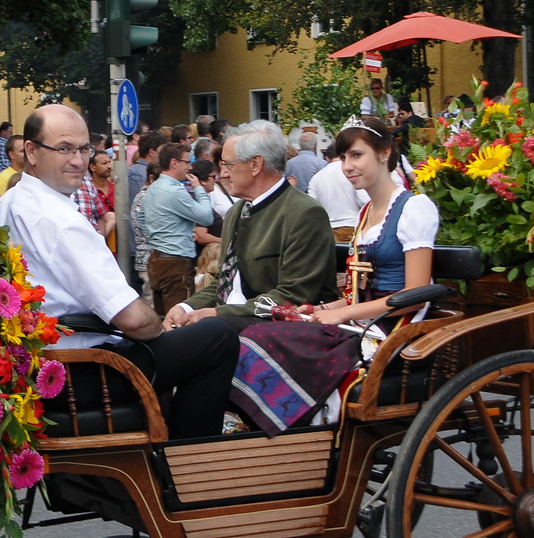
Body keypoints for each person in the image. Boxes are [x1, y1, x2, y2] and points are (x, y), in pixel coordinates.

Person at [0, 105, 238, 439]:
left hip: (39, 368)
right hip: (83, 371)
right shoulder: (60, 221)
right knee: (217, 338)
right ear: (31, 151)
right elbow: (133, 319)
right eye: (64, 149)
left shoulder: (8, 203)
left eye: (84, 149)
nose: (78, 161)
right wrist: (161, 327)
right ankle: (188, 456)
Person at [227, 117, 441, 433]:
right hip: (362, 321)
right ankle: (278, 432)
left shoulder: (415, 208)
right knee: (260, 332)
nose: (347, 166)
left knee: (262, 337)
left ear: (384, 153)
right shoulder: (366, 213)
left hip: (392, 328)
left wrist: (341, 314)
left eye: (356, 155)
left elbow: (414, 296)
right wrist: (322, 309)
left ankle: (291, 430)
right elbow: (360, 290)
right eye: (343, 157)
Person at [164, 120, 338, 328]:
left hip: (276, 332)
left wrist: (217, 314)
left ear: (255, 165)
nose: (223, 174)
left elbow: (294, 295)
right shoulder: (237, 211)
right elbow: (225, 282)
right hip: (232, 326)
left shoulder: (304, 213)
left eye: (228, 164)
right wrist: (185, 307)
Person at [143, 143, 213, 314]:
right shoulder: (174, 191)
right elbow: (206, 217)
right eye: (187, 162)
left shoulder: (153, 188)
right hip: (175, 262)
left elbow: (141, 219)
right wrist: (199, 188)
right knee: (180, 319)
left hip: (157, 259)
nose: (190, 167)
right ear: (174, 163)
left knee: (163, 318)